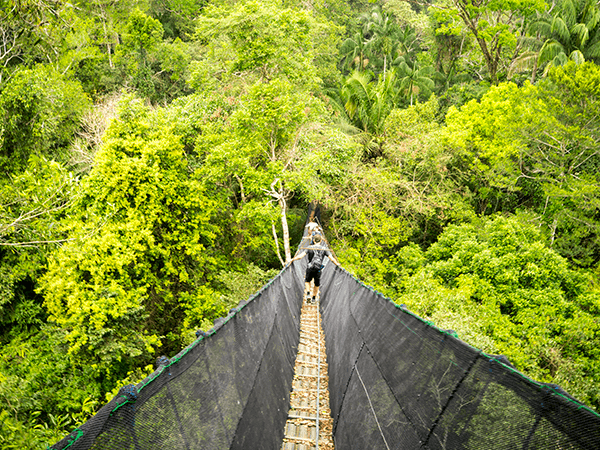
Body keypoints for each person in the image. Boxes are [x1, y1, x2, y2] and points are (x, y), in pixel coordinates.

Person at [289, 233, 339, 304]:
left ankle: (308, 294)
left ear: (314, 240)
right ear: (321, 240)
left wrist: (292, 259)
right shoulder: (324, 249)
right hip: (318, 269)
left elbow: (300, 256)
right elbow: (331, 259)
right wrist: (337, 264)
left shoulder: (309, 247)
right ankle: (313, 298)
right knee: (316, 284)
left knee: (307, 281)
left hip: (310, 268)